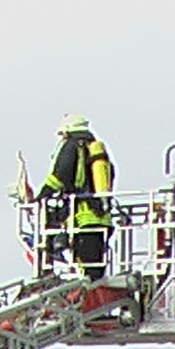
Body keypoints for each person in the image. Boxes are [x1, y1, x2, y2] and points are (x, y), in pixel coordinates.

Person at [36, 113, 115, 280]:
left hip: (81, 215)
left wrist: (42, 194)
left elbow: (60, 175)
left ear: (66, 131)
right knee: (95, 264)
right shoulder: (96, 150)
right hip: (102, 216)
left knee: (86, 266)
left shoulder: (72, 146)